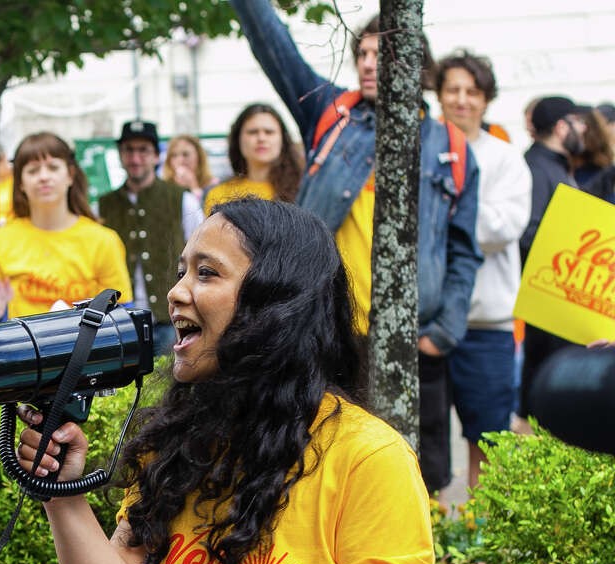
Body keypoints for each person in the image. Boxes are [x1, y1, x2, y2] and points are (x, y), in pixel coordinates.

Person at [17, 198, 434, 564]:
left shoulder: (369, 457)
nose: (176, 292)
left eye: (207, 273)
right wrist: (62, 496)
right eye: (181, 270)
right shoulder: (174, 449)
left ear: (275, 303)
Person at [229, 0, 483, 495]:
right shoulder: (332, 117)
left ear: (415, 65)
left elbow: (464, 250)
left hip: (410, 338)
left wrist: (444, 331)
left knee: (417, 473)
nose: (367, 64)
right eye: (362, 54)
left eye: (380, 54)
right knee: (321, 464)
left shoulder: (449, 146)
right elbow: (274, 47)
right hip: (330, 333)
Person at [435, 51, 532, 488]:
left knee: (488, 440)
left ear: (486, 99)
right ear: (439, 95)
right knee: (424, 442)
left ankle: (481, 523)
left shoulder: (506, 158)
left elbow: (503, 228)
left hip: (486, 325)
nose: (462, 99)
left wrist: (440, 216)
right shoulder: (422, 151)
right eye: (453, 89)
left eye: (472, 91)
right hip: (428, 323)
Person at [0, 132, 131, 324]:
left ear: (70, 175)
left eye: (53, 167)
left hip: (85, 343)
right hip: (20, 342)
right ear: (20, 183)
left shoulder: (104, 240)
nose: (44, 177)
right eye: (33, 170)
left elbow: (123, 318)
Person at [517, 95, 590, 426]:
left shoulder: (554, 166)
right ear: (562, 127)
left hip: (557, 302)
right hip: (548, 303)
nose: (584, 129)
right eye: (578, 122)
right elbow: (528, 233)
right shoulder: (537, 167)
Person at [98, 121, 202, 354]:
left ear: (156, 156)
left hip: (171, 318)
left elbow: (201, 254)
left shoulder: (182, 200)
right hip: (120, 322)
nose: (135, 158)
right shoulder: (103, 206)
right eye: (129, 150)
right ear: (120, 155)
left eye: (143, 150)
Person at [202, 103, 303, 211]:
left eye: (269, 132)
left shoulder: (303, 189)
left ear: (283, 139)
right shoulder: (219, 195)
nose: (261, 138)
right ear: (238, 139)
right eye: (252, 132)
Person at [162, 134, 214, 203]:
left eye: (185, 154)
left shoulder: (212, 185)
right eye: (174, 155)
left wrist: (194, 187)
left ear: (199, 157)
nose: (180, 160)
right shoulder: (164, 186)